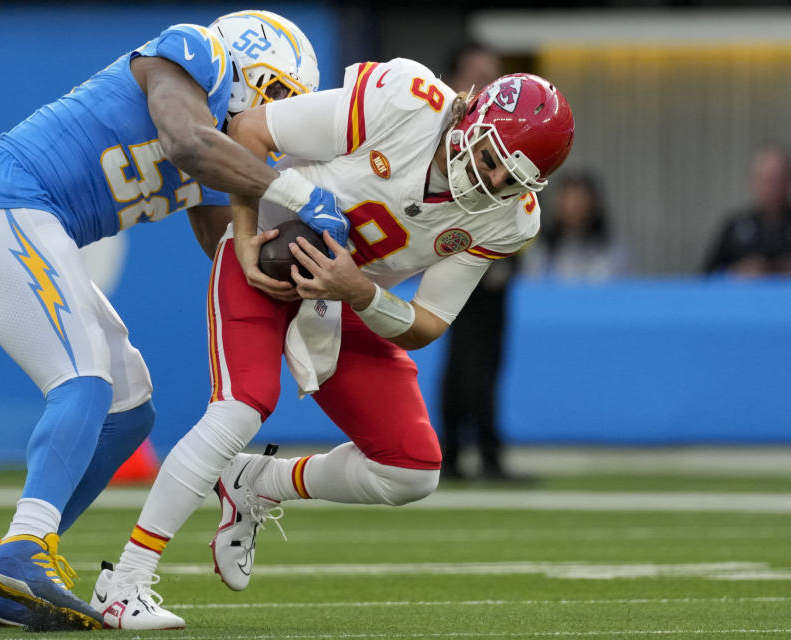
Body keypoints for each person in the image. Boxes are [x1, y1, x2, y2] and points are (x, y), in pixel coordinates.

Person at [92, 60, 574, 629]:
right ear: (471, 114)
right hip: (269, 258)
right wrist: (245, 238)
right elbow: (250, 132)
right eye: (493, 160)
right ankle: (123, 582)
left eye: (511, 180)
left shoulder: (509, 219)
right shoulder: (405, 103)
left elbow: (427, 324)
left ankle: (257, 482)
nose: (492, 183)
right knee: (241, 406)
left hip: (346, 301)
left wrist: (361, 292)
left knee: (412, 469)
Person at [0, 10, 342, 632]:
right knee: (85, 380)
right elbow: (186, 143)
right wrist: (295, 194)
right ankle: (20, 555)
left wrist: (305, 281)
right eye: (276, 94)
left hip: (33, 225)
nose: (274, 115)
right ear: (248, 68)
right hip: (1, 207)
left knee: (128, 408)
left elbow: (229, 247)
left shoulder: (221, 143)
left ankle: (12, 561)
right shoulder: (194, 50)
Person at [436, 41, 522, 481]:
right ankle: (457, 451)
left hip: (490, 257)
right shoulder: (437, 128)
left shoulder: (500, 133)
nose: (487, 86)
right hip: (453, 248)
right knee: (464, 357)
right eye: (477, 75)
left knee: (487, 357)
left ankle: (477, 450)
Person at [519, 171, 626, 280]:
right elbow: (530, 287)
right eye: (566, 199)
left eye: (579, 200)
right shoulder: (540, 249)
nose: (572, 208)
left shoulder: (612, 250)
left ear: (593, 204)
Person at [705, 144, 791, 276]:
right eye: (766, 179)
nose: (772, 187)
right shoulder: (735, 227)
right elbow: (705, 278)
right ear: (754, 181)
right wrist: (734, 273)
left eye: (777, 178)